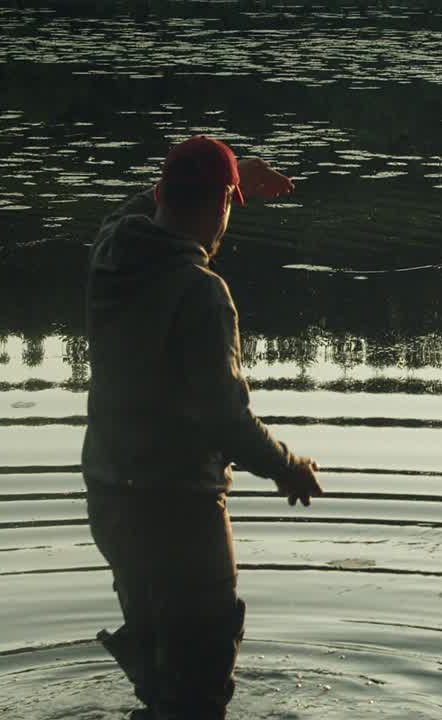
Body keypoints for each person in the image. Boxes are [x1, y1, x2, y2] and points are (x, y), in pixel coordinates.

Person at [80, 135, 324, 720]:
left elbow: (133, 208)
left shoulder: (111, 253)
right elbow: (225, 420)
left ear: (162, 191)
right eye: (228, 205)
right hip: (180, 511)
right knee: (202, 687)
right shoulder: (203, 293)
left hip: (111, 499)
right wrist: (290, 468)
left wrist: (231, 171)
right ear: (221, 207)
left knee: (161, 674)